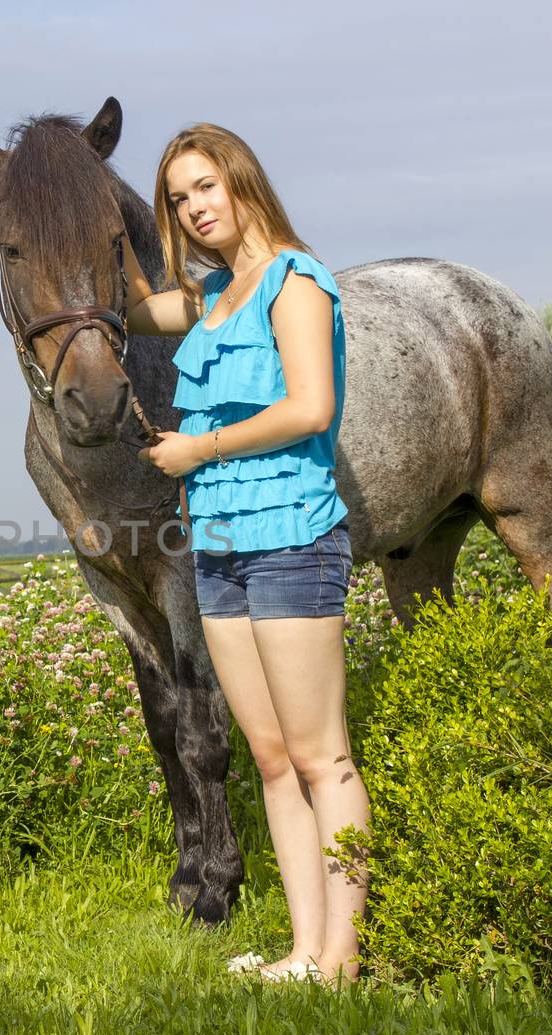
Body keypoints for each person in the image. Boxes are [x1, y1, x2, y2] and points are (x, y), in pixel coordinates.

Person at [124, 122, 370, 986]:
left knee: (320, 755)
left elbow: (310, 407)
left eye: (203, 188)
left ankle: (342, 957)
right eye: (178, 199)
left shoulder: (293, 282)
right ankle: (304, 951)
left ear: (241, 182)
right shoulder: (215, 299)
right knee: (270, 756)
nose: (193, 209)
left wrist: (200, 448)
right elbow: (124, 310)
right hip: (220, 540)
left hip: (292, 537)